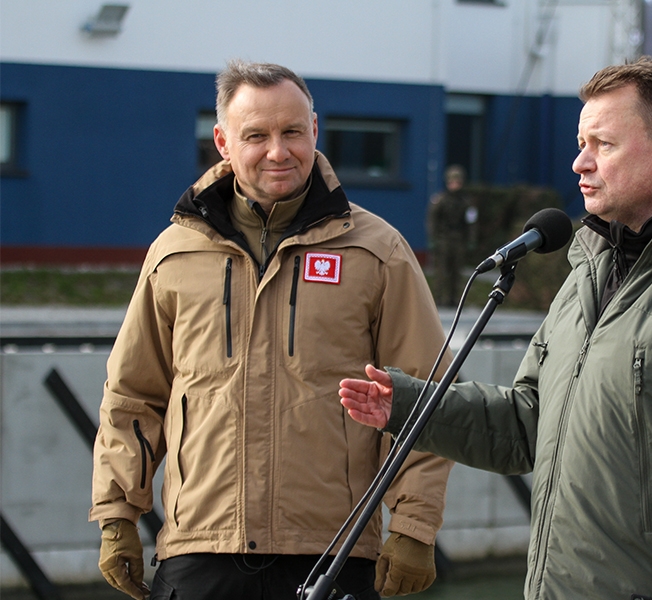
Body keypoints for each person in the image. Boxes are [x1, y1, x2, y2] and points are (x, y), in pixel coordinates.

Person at [339, 56, 652, 599]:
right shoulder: (589, 271)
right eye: (581, 143)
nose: (578, 164)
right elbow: (526, 425)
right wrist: (408, 405)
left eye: (602, 145)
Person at [90, 60, 453, 600]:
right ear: (223, 141)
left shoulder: (377, 251)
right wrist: (118, 514)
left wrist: (415, 526)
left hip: (333, 551)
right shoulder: (173, 254)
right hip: (200, 548)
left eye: (292, 132)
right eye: (255, 135)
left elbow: (426, 396)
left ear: (314, 131)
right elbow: (134, 396)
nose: (278, 151)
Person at [426, 165, 477, 306]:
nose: (455, 185)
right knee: (441, 270)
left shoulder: (465, 202)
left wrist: (470, 239)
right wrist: (433, 238)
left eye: (458, 182)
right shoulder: (440, 200)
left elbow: (471, 222)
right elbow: (432, 220)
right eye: (452, 182)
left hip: (459, 239)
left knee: (456, 271)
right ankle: (438, 299)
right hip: (444, 238)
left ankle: (453, 299)